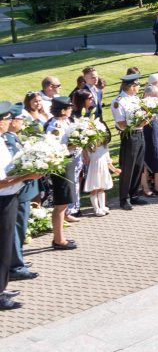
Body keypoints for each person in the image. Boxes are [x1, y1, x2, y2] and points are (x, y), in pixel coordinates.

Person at [0, 102, 43, 311]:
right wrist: (28, 175)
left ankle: (2, 287)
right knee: (2, 248)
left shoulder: (2, 140)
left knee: (5, 247)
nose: (10, 122)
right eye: (7, 119)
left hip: (10, 197)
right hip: (3, 200)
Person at [112, 74, 151, 211]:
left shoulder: (135, 99)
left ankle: (134, 194)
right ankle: (124, 198)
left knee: (138, 166)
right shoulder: (119, 101)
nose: (139, 87)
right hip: (129, 135)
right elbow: (121, 124)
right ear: (130, 86)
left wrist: (147, 118)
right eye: (137, 85)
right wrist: (138, 123)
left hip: (140, 133)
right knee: (128, 167)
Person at [46, 97, 80, 247]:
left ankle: (59, 237)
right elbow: (53, 150)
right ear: (62, 110)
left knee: (64, 202)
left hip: (69, 163)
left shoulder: (66, 122)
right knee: (61, 203)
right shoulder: (55, 127)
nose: (71, 109)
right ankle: (59, 240)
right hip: (61, 165)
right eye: (68, 107)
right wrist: (71, 147)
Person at [83, 121, 118, 216]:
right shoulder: (89, 148)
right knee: (94, 189)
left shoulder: (104, 147)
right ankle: (96, 208)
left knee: (102, 188)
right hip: (93, 170)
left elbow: (108, 160)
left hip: (103, 170)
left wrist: (114, 169)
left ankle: (102, 206)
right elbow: (86, 159)